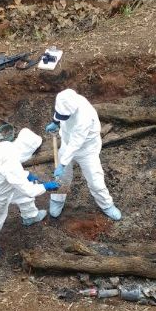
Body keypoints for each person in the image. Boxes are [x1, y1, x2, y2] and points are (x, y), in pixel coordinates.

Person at [0, 128, 60, 258]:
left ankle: (30, 216)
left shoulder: (6, 146)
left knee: (24, 197)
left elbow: (9, 172)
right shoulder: (12, 165)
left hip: (2, 183)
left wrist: (27, 175)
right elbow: (29, 190)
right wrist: (46, 186)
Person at [45, 88, 122, 220]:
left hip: (86, 150)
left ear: (73, 111)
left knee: (95, 180)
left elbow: (76, 144)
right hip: (67, 143)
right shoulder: (66, 101)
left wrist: (62, 164)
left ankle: (106, 205)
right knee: (62, 177)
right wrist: (56, 122)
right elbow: (61, 112)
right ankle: (57, 199)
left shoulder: (84, 116)